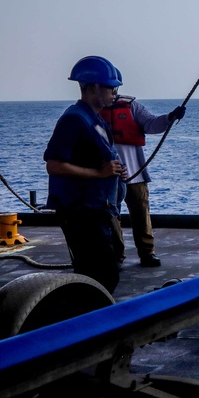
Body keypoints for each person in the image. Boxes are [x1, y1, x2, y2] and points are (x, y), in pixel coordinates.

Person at [44, 56, 127, 293]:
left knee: (103, 275)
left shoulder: (94, 118)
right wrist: (100, 173)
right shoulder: (74, 119)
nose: (115, 92)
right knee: (99, 276)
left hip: (97, 208)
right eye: (111, 87)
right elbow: (54, 165)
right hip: (81, 211)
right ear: (93, 88)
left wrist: (115, 171)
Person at [100, 86, 185, 268]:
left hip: (134, 172)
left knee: (141, 214)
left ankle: (147, 253)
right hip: (107, 175)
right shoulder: (93, 110)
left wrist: (170, 117)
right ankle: (115, 255)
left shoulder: (132, 107)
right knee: (110, 218)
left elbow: (151, 123)